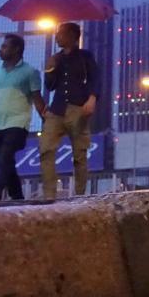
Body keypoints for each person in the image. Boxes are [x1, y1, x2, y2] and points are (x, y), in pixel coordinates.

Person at [0, 34, 46, 201]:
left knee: (5, 157)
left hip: (18, 124)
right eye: (1, 46)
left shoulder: (30, 72)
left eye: (5, 46)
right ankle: (17, 196)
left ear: (16, 50)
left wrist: (47, 121)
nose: (1, 49)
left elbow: (37, 99)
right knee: (5, 162)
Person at [40, 22, 99, 199]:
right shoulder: (56, 58)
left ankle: (79, 194)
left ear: (73, 36)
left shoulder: (84, 56)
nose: (57, 37)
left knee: (79, 154)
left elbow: (95, 78)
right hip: (56, 108)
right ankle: (49, 194)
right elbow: (50, 86)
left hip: (78, 107)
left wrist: (92, 98)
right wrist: (50, 69)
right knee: (46, 149)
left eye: (61, 34)